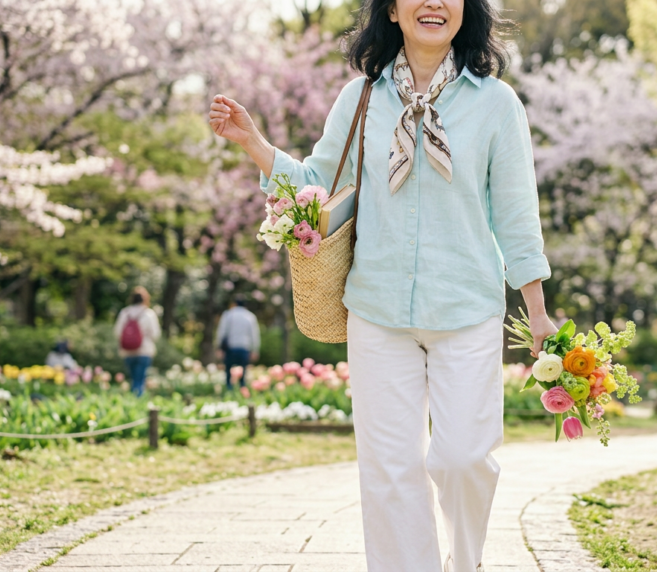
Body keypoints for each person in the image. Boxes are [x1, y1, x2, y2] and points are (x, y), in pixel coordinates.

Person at [209, 1, 556, 570]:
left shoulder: (497, 105)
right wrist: (255, 144)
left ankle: (463, 562)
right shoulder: (360, 98)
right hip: (377, 310)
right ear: (392, 11)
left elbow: (517, 216)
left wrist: (536, 310)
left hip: (466, 309)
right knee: (390, 471)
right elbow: (318, 183)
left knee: (464, 459)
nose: (435, 2)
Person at [113, 286, 161, 396]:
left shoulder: (125, 313)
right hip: (144, 350)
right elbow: (155, 334)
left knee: (133, 378)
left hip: (128, 351)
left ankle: (132, 400)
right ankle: (138, 402)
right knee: (140, 379)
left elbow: (117, 332)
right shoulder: (149, 314)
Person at [215, 297, 261, 389]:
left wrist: (219, 347)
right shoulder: (250, 316)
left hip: (230, 347)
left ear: (234, 304)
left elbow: (222, 332)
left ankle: (229, 390)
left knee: (228, 371)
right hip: (244, 347)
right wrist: (255, 349)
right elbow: (254, 335)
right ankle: (242, 389)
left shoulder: (228, 314)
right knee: (243, 371)